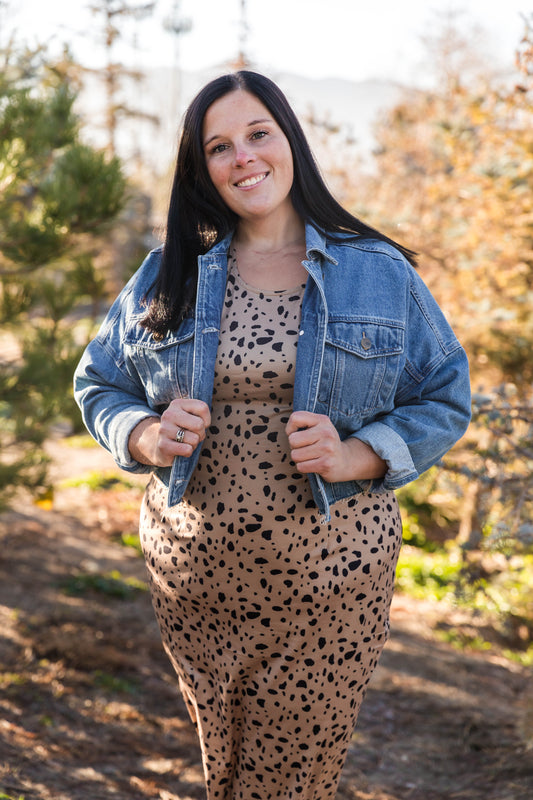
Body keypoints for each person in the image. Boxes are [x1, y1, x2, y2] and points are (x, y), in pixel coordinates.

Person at [74, 70, 471, 800]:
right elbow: (98, 382)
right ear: (201, 169)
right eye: (218, 147)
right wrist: (144, 438)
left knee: (289, 780)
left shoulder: (375, 273)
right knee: (223, 772)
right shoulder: (170, 272)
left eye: (257, 134)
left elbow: (444, 396)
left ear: (289, 140)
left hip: (331, 580)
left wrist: (357, 454)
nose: (243, 158)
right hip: (193, 580)